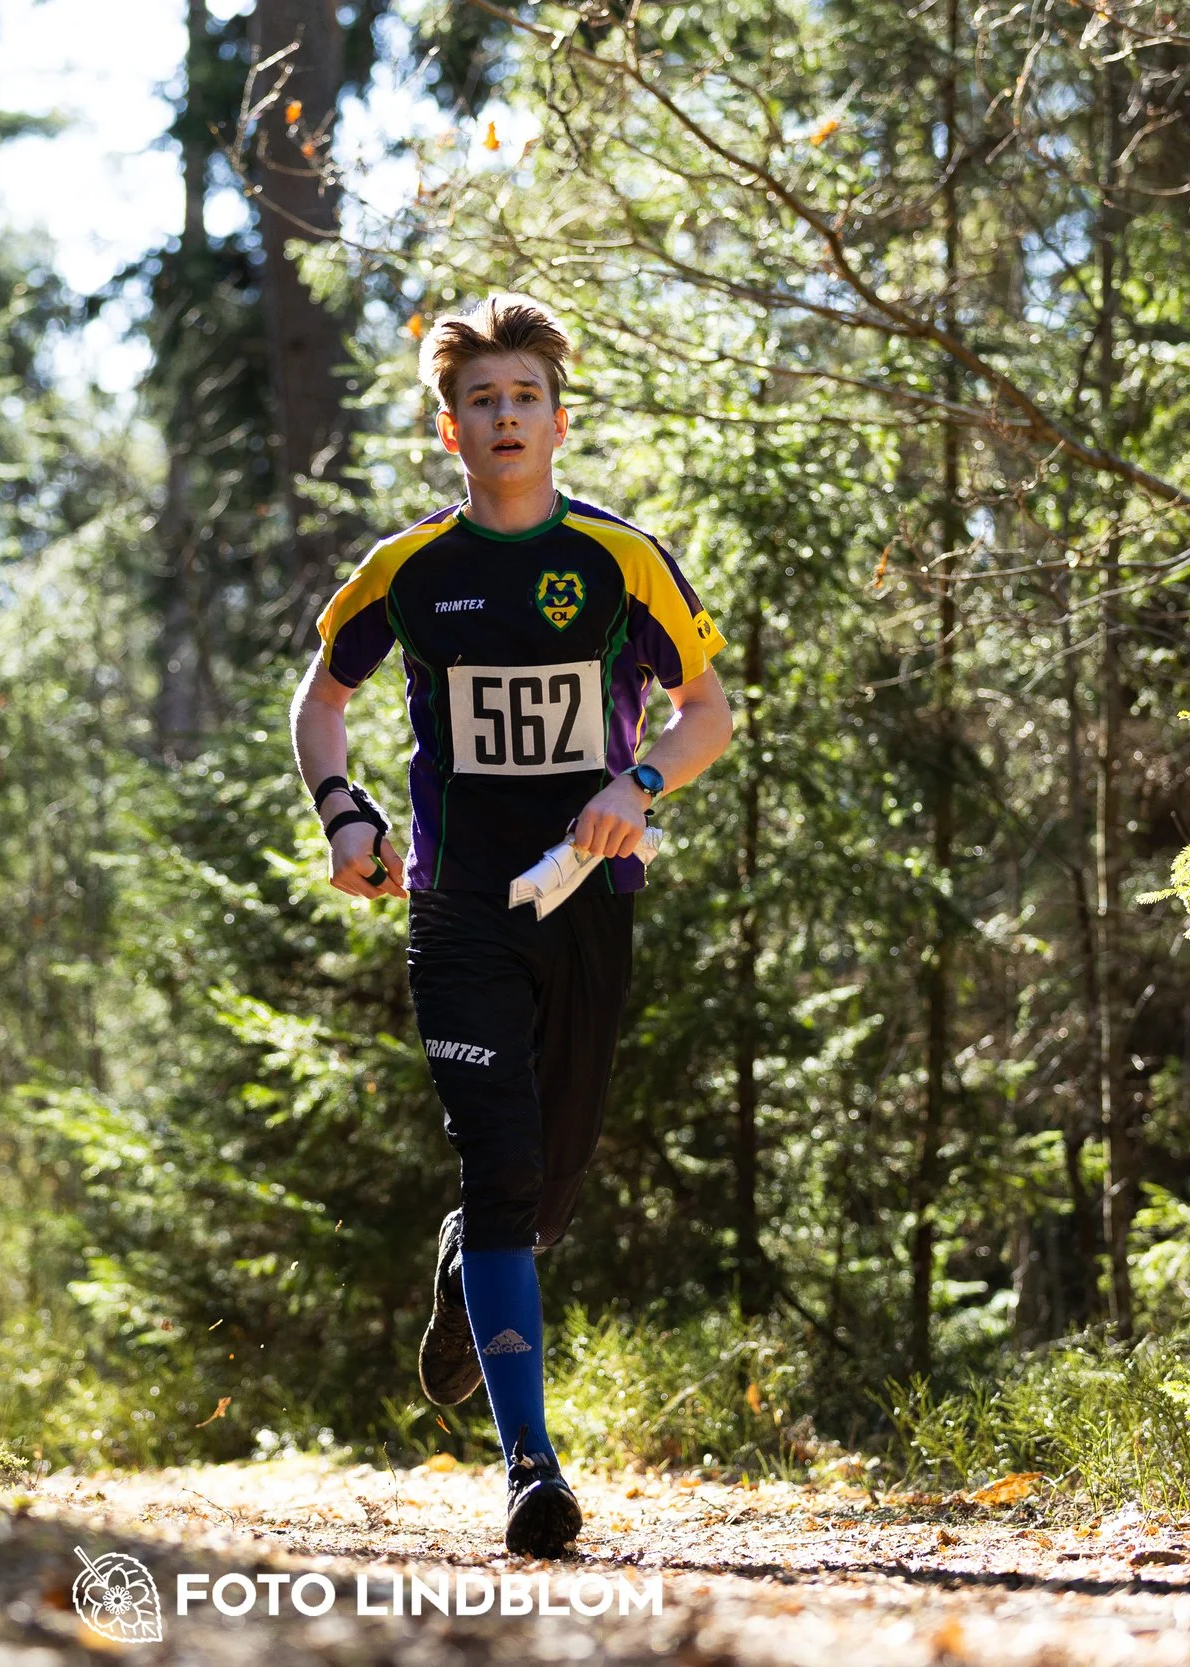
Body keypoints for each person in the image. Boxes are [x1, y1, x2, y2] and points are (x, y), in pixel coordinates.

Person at [288, 293, 733, 1556]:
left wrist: (634, 782)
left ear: (557, 418)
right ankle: (528, 1465)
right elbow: (318, 702)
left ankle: (465, 1263)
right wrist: (345, 814)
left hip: (589, 901)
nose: (504, 416)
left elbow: (707, 711)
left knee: (552, 1178)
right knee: (498, 1162)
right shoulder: (408, 570)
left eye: (523, 397)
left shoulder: (618, 560)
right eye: (481, 399)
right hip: (457, 905)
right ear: (450, 429)